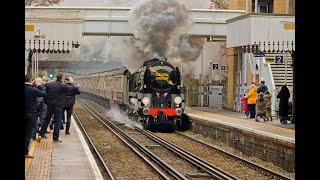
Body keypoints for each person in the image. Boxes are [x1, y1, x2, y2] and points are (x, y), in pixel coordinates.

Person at [39, 73, 72, 142]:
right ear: (62, 78)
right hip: (58, 106)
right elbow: (73, 89)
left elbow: (45, 94)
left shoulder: (50, 84)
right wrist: (71, 82)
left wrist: (47, 102)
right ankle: (55, 138)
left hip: (50, 105)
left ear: (56, 77)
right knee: (57, 122)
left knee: (46, 119)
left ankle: (41, 134)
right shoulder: (63, 86)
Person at [25, 74, 46, 158]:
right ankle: (25, 152)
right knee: (27, 134)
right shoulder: (33, 90)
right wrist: (39, 85)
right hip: (30, 114)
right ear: (31, 81)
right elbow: (44, 93)